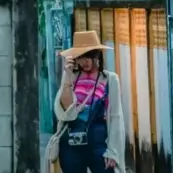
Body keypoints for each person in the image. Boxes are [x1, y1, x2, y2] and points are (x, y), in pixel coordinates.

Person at [48, 30, 126, 173]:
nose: (85, 61)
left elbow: (116, 117)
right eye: (81, 57)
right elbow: (65, 112)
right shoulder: (72, 77)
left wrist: (114, 151)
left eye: (89, 56)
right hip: (71, 143)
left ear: (97, 55)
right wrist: (67, 77)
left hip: (98, 144)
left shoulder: (110, 79)